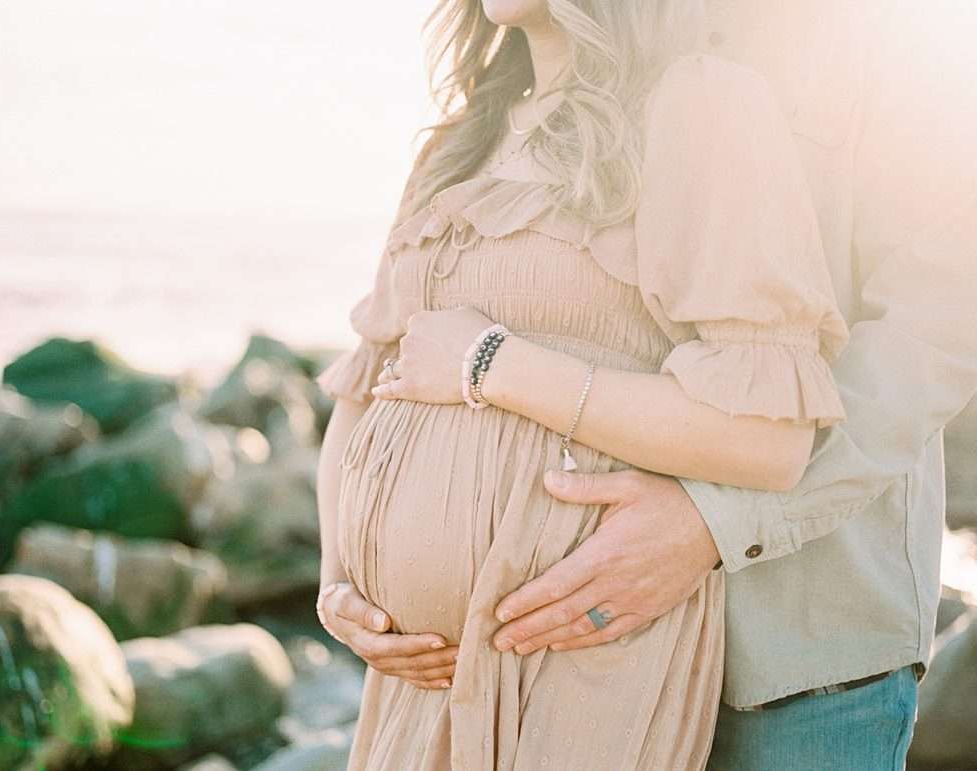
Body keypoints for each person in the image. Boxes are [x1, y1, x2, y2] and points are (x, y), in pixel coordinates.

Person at [318, 1, 977, 768]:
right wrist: (347, 576)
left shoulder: (872, 39)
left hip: (794, 647)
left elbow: (937, 327)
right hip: (518, 668)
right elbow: (379, 377)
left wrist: (716, 520)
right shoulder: (499, 120)